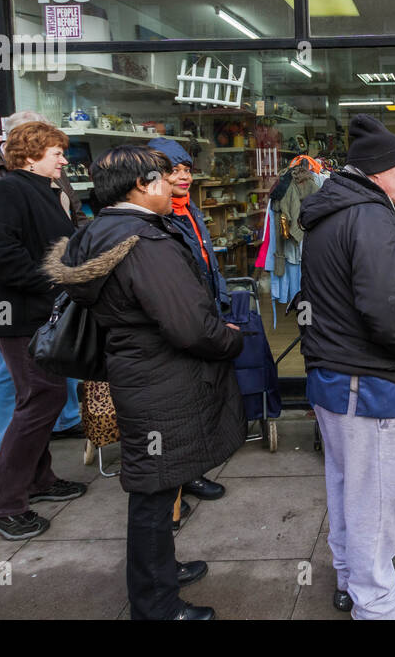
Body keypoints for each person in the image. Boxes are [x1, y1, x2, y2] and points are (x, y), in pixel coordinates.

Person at [47, 145, 246, 621]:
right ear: (141, 185)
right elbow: (188, 325)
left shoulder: (98, 232)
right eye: (163, 177)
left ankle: (160, 573)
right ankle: (156, 606)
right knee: (154, 492)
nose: (173, 185)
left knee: (157, 485)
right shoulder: (145, 242)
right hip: (161, 376)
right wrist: (229, 340)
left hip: (137, 369)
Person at [298, 115, 395, 620]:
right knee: (376, 500)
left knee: (346, 489)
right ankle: (378, 606)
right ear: (379, 170)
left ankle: (351, 581)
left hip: (334, 377)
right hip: (367, 381)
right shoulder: (372, 219)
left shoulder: (333, 212)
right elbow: (391, 312)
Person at [0, 121, 87, 540]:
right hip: (15, 315)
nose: (63, 158)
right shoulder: (8, 190)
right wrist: (55, 280)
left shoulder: (47, 190)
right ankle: (0, 504)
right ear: (31, 153)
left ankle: (39, 480)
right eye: (56, 151)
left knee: (41, 397)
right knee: (41, 397)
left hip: (38, 313)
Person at [146, 136, 233, 504]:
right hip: (179, 318)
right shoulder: (160, 216)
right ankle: (175, 484)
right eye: (174, 170)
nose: (183, 177)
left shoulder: (189, 210)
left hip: (201, 311)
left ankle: (190, 471)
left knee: (198, 395)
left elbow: (206, 262)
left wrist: (221, 301)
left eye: (187, 170)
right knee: (178, 404)